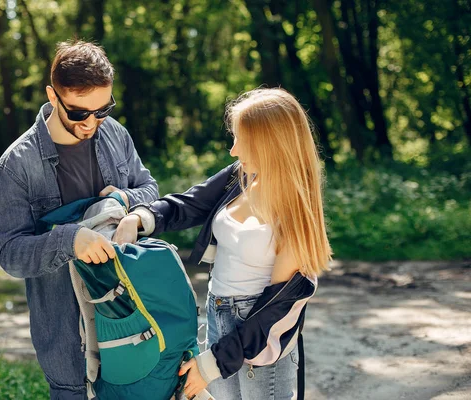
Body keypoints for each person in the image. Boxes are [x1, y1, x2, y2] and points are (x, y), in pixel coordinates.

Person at [114, 88, 332, 400]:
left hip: (258, 338)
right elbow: (189, 204)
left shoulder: (295, 214)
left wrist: (214, 362)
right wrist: (140, 217)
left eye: (241, 139)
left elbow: (274, 310)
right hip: (218, 315)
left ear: (267, 143)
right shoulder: (241, 176)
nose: (233, 150)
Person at [0, 40, 158, 399]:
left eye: (103, 109)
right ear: (53, 97)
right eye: (80, 113)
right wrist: (68, 241)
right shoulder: (15, 165)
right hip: (68, 342)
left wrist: (124, 199)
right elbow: (11, 255)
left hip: (132, 319)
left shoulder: (115, 133)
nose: (92, 122)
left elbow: (149, 187)